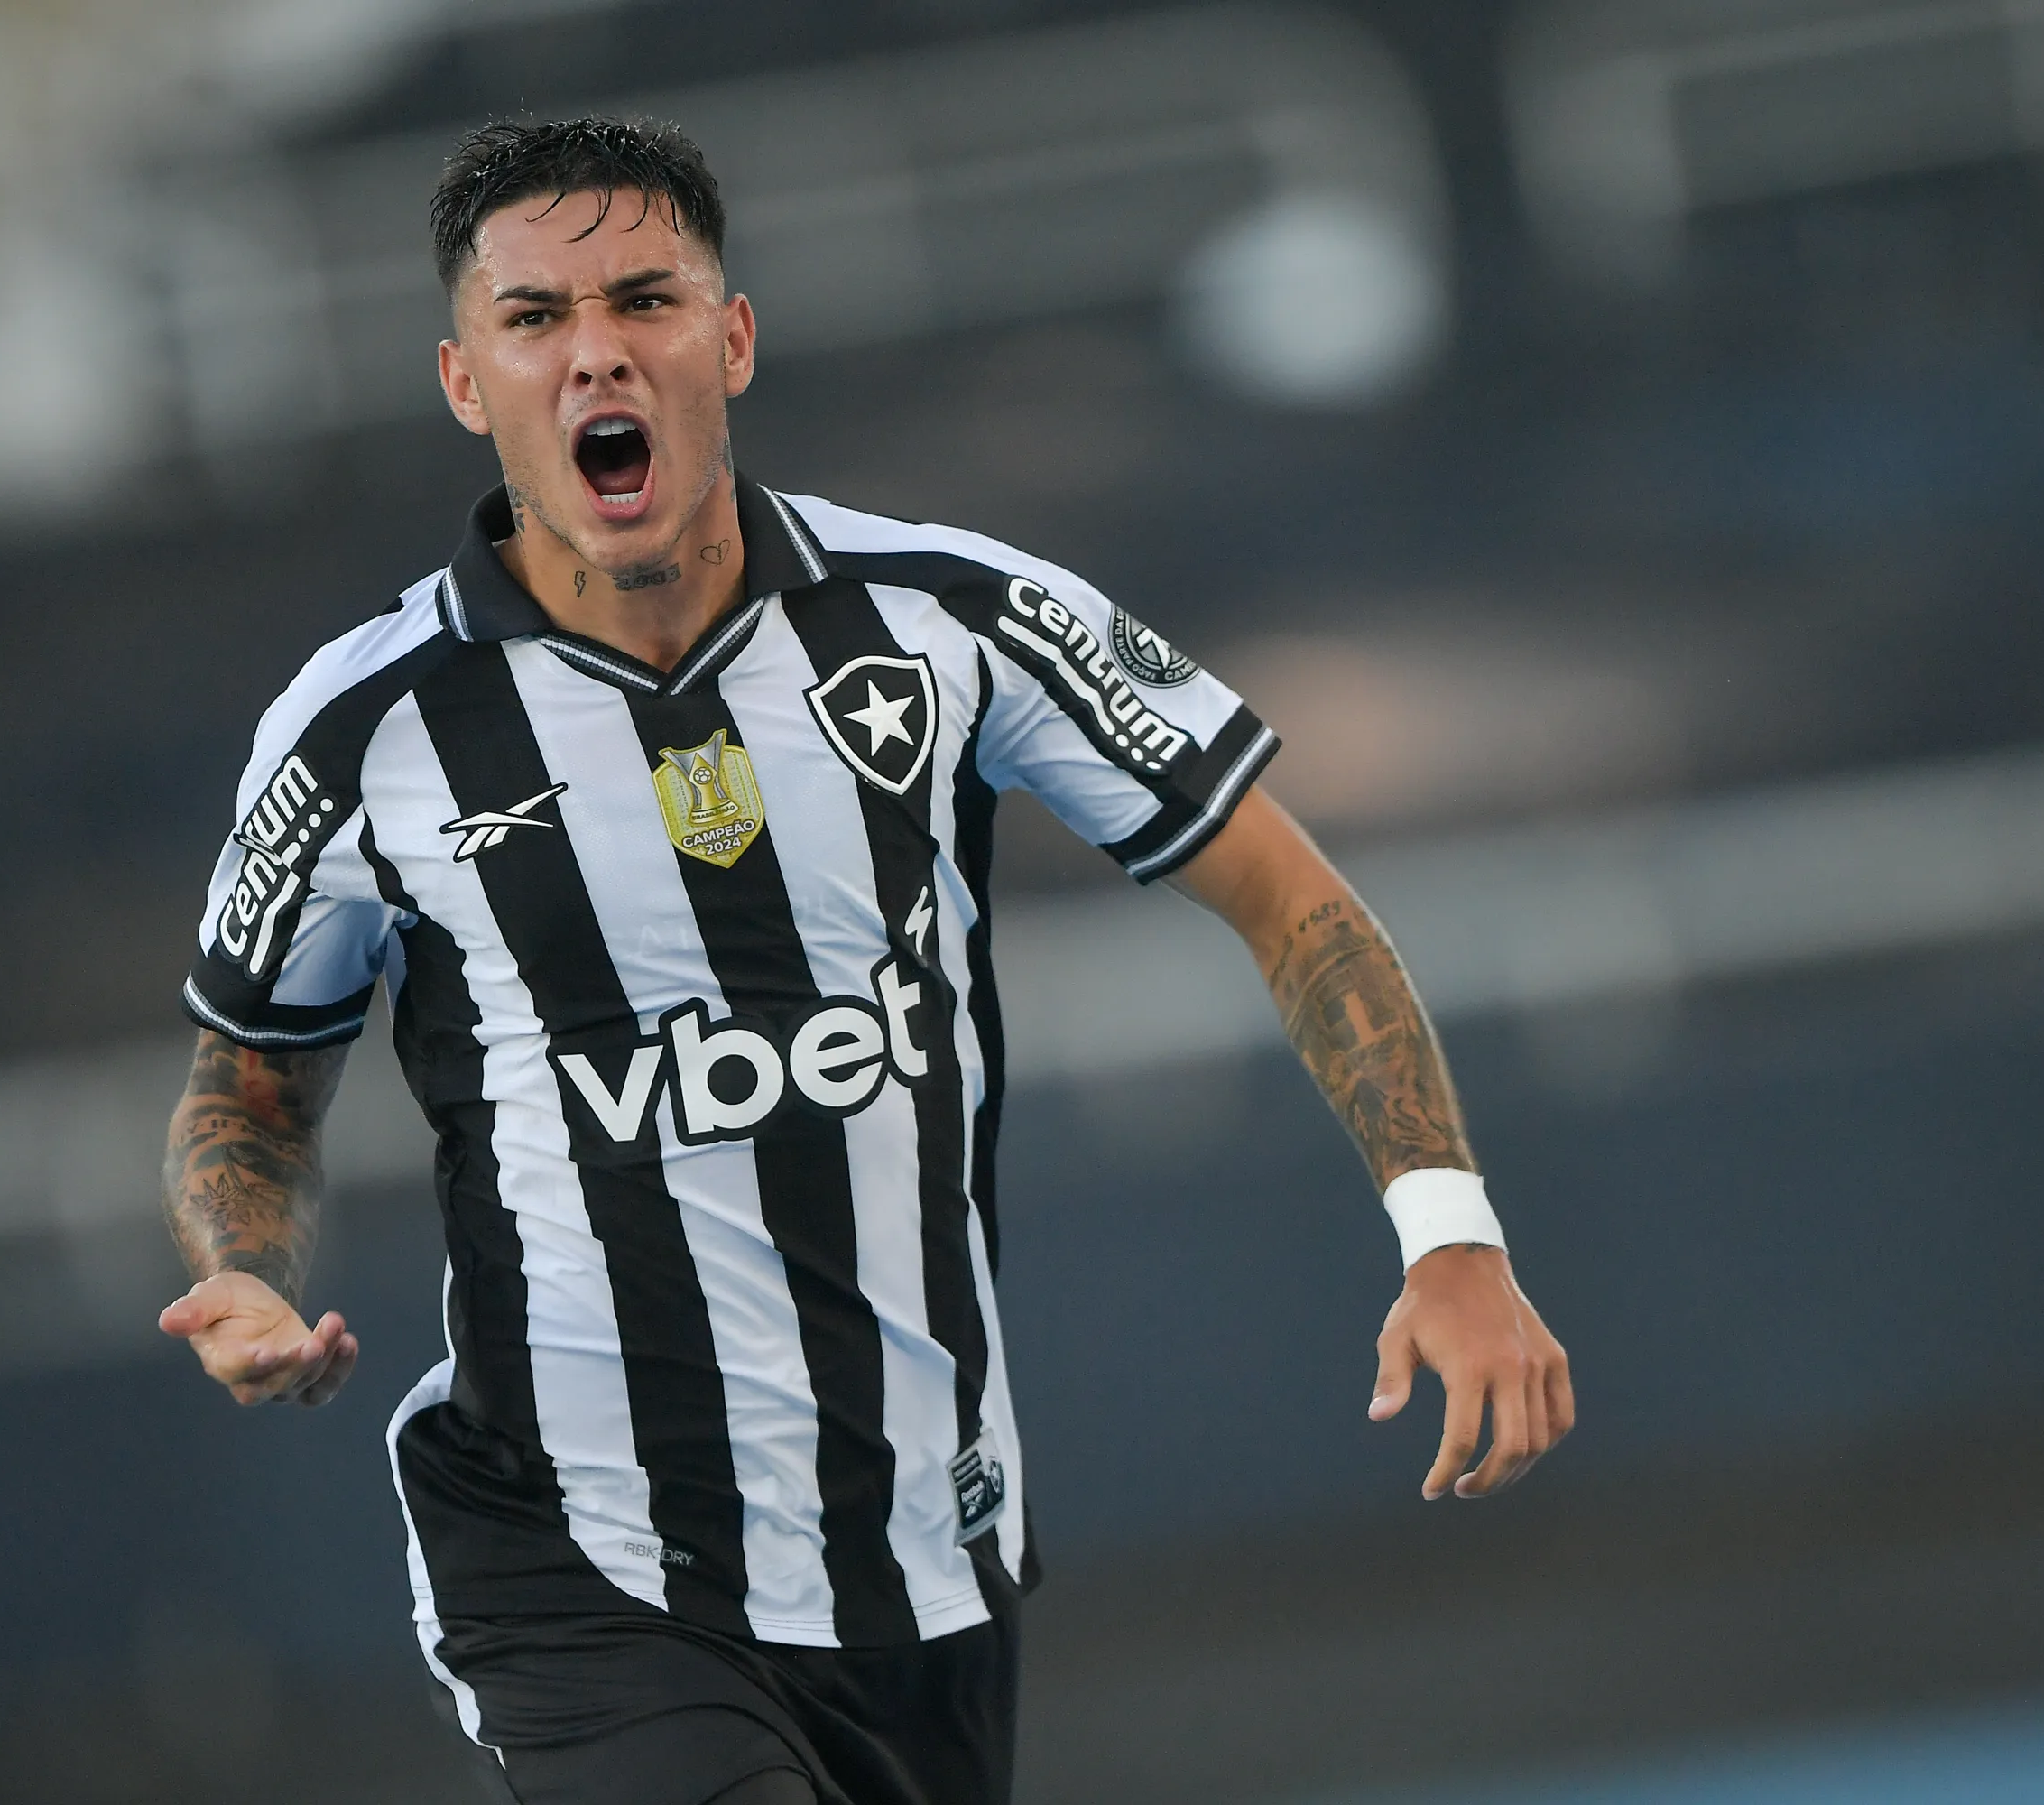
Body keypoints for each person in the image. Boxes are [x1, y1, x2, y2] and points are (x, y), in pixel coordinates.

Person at [158, 116, 1572, 1805]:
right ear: (467, 381)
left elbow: (1296, 902)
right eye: (535, 319)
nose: (597, 350)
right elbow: (247, 1086)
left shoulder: (948, 619)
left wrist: (1452, 1233)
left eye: (645, 298)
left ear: (731, 339)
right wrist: (242, 1264)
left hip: (924, 1551)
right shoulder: (361, 732)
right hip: (581, 1558)